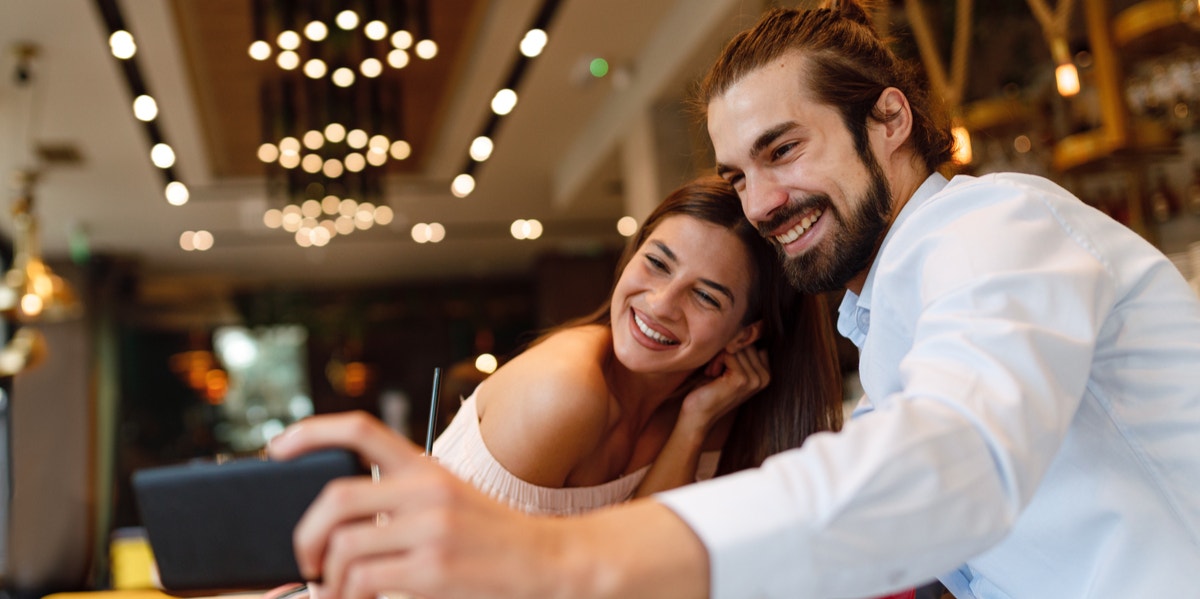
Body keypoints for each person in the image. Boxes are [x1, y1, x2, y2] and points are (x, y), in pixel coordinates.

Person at [267, 1, 1200, 597]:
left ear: (889, 119)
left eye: (783, 150)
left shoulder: (992, 225)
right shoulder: (892, 315)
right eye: (736, 171)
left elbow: (955, 460)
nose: (760, 202)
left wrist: (558, 562)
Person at [427, 175, 842, 515]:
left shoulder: (719, 402)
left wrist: (693, 423)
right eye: (657, 263)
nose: (661, 304)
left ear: (744, 334)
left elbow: (640, 563)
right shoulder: (561, 393)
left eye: (705, 297)